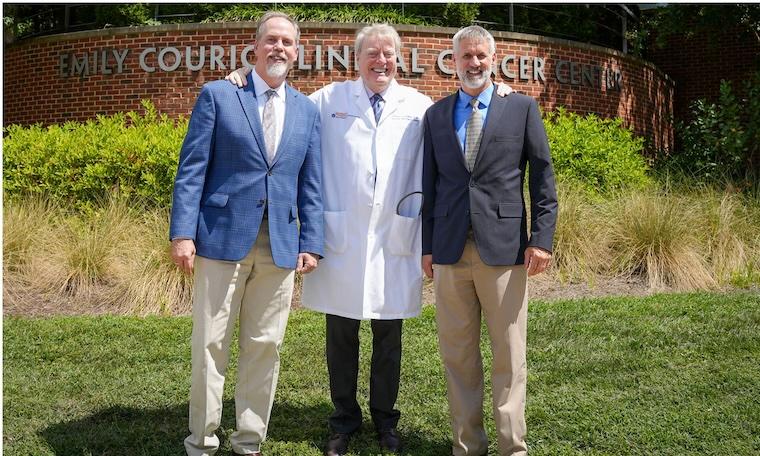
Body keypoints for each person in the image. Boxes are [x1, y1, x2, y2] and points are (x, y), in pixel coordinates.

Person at [226, 23, 431, 455]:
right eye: (371, 53)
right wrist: (243, 80)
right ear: (357, 59)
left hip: (393, 239)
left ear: (399, 58)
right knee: (340, 335)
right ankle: (343, 419)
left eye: (388, 53)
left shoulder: (418, 106)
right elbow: (283, 101)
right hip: (342, 239)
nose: (381, 61)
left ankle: (385, 420)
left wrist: (498, 88)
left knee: (388, 337)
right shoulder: (330, 99)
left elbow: (457, 121)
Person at [170, 12, 323, 456]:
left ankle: (249, 439)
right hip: (220, 238)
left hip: (279, 245)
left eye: (287, 42)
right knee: (209, 344)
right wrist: (183, 233)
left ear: (297, 52)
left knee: (265, 345)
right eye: (271, 40)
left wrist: (311, 241)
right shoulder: (218, 95)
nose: (279, 48)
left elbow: (310, 182)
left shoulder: (306, 109)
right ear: (253, 49)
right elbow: (192, 169)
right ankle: (202, 439)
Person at [421, 25, 558, 456]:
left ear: (492, 58)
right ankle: (467, 447)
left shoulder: (520, 108)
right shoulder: (437, 115)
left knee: (509, 355)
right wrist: (427, 246)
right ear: (453, 61)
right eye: (466, 57)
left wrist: (542, 238)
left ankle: (511, 448)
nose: (474, 63)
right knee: (458, 357)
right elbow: (431, 185)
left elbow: (543, 176)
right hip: (448, 251)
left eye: (481, 56)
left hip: (504, 250)